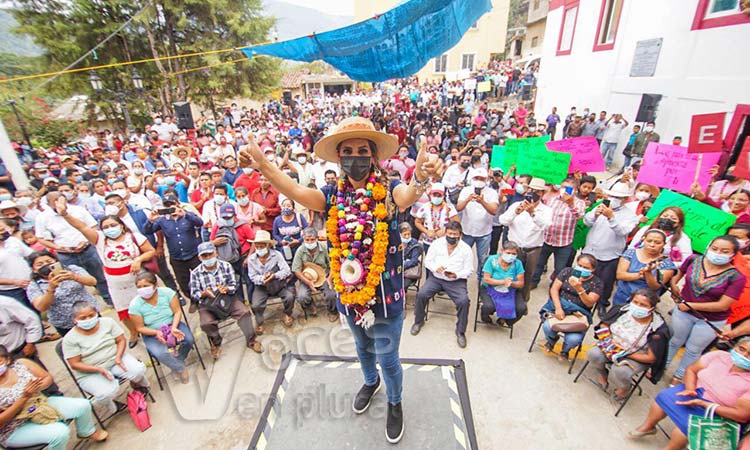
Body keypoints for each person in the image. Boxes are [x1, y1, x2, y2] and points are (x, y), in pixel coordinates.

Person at [238, 116, 442, 443]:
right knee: (362, 348)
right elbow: (293, 189)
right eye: (348, 150)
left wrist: (420, 176)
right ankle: (369, 381)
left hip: (386, 297)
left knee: (388, 357)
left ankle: (394, 402)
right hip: (349, 297)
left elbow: (408, 195)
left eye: (363, 150)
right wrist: (264, 165)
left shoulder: (388, 192)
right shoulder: (330, 196)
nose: (355, 156)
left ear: (374, 157)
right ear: (339, 158)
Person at [55, 196, 155, 347]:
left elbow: (150, 251)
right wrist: (65, 214)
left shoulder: (134, 237)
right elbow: (82, 227)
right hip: (116, 283)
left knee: (145, 304)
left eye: (113, 225)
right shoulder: (100, 239)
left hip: (137, 279)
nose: (110, 229)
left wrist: (138, 260)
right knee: (123, 310)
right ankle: (133, 333)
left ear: (121, 226)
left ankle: (149, 327)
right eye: (106, 226)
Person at [629, 337, 750, 450]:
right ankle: (649, 426)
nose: (743, 355)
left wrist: (705, 404)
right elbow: (692, 370)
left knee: (685, 428)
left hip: (719, 410)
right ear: (735, 347)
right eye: (741, 349)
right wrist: (690, 389)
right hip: (697, 391)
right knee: (664, 396)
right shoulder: (719, 356)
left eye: (749, 355)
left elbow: (741, 415)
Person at [666, 235, 745, 385]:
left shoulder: (737, 277)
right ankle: (661, 366)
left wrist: (691, 305)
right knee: (674, 340)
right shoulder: (693, 259)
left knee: (693, 349)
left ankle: (680, 376)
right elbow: (679, 273)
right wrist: (674, 285)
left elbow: (723, 304)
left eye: (724, 251)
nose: (718, 253)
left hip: (710, 320)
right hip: (683, 312)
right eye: (714, 248)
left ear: (733, 255)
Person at [0, 345, 109, 450]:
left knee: (83, 405)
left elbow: (47, 378)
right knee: (60, 433)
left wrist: (37, 387)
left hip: (40, 405)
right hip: (14, 428)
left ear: (8, 359)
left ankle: (86, 432)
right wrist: (23, 398)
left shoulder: (22, 364)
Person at [62, 302, 150, 416]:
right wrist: (99, 369)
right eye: (83, 318)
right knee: (106, 393)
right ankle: (111, 406)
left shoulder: (107, 322)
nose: (88, 319)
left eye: (91, 315)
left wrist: (118, 357)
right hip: (90, 372)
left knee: (138, 370)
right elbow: (75, 364)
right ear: (74, 320)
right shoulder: (70, 339)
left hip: (116, 360)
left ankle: (139, 385)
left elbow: (121, 340)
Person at [588, 289, 670, 400]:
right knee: (593, 354)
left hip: (636, 355)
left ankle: (625, 388)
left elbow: (650, 357)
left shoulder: (657, 329)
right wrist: (608, 340)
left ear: (652, 308)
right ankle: (602, 373)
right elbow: (604, 325)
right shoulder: (621, 310)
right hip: (611, 345)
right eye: (635, 302)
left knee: (620, 371)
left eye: (643, 305)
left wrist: (624, 353)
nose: (638, 306)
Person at [34, 192, 113, 306]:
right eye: (54, 201)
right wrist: (59, 247)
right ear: (49, 203)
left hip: (87, 249)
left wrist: (86, 241)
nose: (58, 203)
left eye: (60, 199)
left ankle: (109, 299)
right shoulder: (42, 217)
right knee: (71, 281)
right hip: (65, 254)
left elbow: (93, 226)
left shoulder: (78, 210)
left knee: (100, 275)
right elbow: (41, 238)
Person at [189, 242, 262, 358]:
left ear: (216, 253)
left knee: (244, 313)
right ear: (199, 258)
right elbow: (194, 293)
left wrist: (226, 289)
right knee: (206, 323)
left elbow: (234, 284)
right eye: (204, 256)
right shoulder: (195, 273)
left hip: (227, 298)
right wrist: (204, 293)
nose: (208, 258)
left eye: (210, 254)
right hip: (208, 304)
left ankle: (251, 340)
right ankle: (216, 342)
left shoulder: (226, 266)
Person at [411, 222, 474, 348]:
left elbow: (469, 270)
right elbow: (428, 262)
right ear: (445, 233)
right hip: (437, 278)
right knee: (422, 294)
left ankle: (460, 331)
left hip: (456, 281)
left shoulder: (466, 249)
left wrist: (457, 274)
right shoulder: (437, 244)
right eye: (449, 234)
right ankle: (418, 321)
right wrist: (436, 268)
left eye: (455, 235)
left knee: (464, 301)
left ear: (460, 235)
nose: (451, 236)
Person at [128, 271, 194, 384]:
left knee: (189, 339)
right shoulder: (135, 305)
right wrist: (156, 332)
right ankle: (179, 368)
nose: (142, 289)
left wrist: (173, 327)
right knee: (160, 353)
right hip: (152, 332)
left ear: (155, 285)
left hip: (172, 325)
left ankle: (177, 360)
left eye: (146, 286)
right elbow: (140, 328)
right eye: (139, 287)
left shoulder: (167, 293)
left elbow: (177, 312)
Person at [582, 182, 639, 309]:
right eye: (612, 196)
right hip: (590, 252)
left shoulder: (629, 215)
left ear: (624, 200)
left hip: (609, 256)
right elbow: (586, 221)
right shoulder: (599, 207)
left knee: (605, 283)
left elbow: (622, 231)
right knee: (584, 278)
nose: (614, 199)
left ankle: (601, 304)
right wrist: (594, 214)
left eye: (618, 198)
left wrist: (611, 217)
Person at [144, 194, 203, 311]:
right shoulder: (162, 220)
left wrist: (185, 214)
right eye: (167, 205)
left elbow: (199, 222)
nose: (170, 207)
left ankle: (205, 298)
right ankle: (193, 300)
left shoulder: (187, 215)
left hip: (193, 254)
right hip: (177, 258)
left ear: (177, 203)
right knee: (183, 282)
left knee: (200, 277)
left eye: (172, 204)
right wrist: (150, 220)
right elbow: (148, 230)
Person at [540, 254, 603, 362]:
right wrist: (558, 308)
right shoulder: (567, 272)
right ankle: (551, 341)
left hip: (578, 313)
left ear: (593, 269)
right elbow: (554, 289)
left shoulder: (597, 283)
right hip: (559, 307)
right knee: (547, 327)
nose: (581, 269)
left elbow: (589, 303)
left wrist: (579, 288)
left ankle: (565, 350)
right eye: (580, 265)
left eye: (586, 268)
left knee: (573, 339)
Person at [498, 180, 552, 303]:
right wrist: (515, 213)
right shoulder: (516, 205)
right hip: (514, 249)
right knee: (508, 275)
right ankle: (505, 302)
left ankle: (521, 304)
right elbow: (503, 220)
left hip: (533, 250)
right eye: (531, 190)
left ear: (542, 193)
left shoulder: (547, 210)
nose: (533, 193)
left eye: (537, 191)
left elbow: (547, 226)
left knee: (527, 279)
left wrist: (532, 213)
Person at [26, 251, 99, 337]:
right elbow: (41, 307)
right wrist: (51, 289)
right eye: (39, 264)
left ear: (56, 261)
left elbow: (92, 281)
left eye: (49, 261)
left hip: (90, 315)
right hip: (64, 324)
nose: (45, 265)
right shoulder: (34, 286)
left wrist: (75, 277)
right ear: (34, 269)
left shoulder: (72, 269)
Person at [531, 178, 586, 290]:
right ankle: (534, 282)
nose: (564, 190)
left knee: (560, 268)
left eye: (569, 188)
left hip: (563, 242)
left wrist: (570, 204)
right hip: (546, 238)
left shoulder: (579, 203)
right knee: (539, 264)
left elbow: (579, 216)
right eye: (563, 187)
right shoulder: (552, 199)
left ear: (575, 190)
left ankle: (554, 287)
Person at [612, 229, 677, 307]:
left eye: (657, 243)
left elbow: (655, 285)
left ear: (664, 244)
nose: (652, 245)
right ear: (643, 239)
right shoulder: (630, 253)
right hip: (622, 297)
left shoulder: (666, 264)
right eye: (649, 241)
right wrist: (640, 274)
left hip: (645, 302)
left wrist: (648, 272)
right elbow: (620, 275)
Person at [246, 230, 296, 331]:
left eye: (262, 246)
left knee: (290, 296)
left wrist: (274, 275)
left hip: (277, 284)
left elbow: (286, 271)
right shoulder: (251, 259)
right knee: (256, 304)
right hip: (262, 286)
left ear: (268, 246)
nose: (259, 249)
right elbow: (252, 276)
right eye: (257, 246)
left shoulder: (277, 255)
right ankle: (259, 321)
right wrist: (263, 279)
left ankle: (287, 314)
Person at [456, 169, 499, 280]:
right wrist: (467, 200)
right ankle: (460, 278)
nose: (479, 180)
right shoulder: (466, 190)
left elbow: (494, 210)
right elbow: (459, 207)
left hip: (484, 233)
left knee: (483, 259)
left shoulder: (492, 192)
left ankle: (481, 281)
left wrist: (482, 202)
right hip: (467, 231)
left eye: (482, 178)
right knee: (461, 256)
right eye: (476, 178)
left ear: (487, 179)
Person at [292, 227, 338, 321]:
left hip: (324, 276)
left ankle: (332, 311)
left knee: (331, 295)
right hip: (307, 277)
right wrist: (308, 282)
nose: (309, 242)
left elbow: (334, 264)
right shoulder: (300, 250)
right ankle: (309, 305)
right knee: (301, 296)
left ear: (317, 238)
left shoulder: (324, 247)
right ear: (303, 239)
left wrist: (329, 279)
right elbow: (296, 270)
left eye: (312, 239)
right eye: (307, 240)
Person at [479, 241, 525, 324]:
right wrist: (503, 282)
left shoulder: (518, 264)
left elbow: (521, 283)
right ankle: (485, 317)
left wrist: (511, 283)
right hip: (490, 288)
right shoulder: (492, 260)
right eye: (508, 253)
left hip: (510, 290)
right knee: (488, 307)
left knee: (521, 309)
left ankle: (505, 320)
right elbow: (486, 279)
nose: (511, 256)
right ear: (501, 251)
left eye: (513, 254)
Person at [628, 206, 692, 266]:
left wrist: (665, 265)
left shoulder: (682, 238)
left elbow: (686, 260)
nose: (667, 219)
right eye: (665, 216)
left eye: (673, 218)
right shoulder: (646, 229)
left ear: (678, 223)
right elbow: (631, 248)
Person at [413, 183, 458, 252]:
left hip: (444, 242)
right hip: (428, 242)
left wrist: (445, 231)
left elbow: (456, 224)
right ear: (430, 194)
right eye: (434, 195)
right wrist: (426, 232)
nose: (436, 197)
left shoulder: (449, 208)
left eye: (439, 195)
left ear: (443, 196)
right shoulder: (425, 207)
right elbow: (417, 222)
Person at [272, 198, 307, 263]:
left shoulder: (299, 217)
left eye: (288, 206)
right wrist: (281, 241)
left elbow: (307, 231)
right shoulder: (277, 220)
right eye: (284, 206)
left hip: (298, 248)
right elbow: (275, 234)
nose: (286, 208)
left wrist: (298, 241)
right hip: (283, 249)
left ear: (293, 208)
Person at [399, 223, 422, 291]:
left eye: (409, 234)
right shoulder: (396, 242)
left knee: (403, 285)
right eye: (404, 235)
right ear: (400, 234)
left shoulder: (414, 243)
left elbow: (414, 260)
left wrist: (402, 266)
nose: (407, 236)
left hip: (409, 271)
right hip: (397, 269)